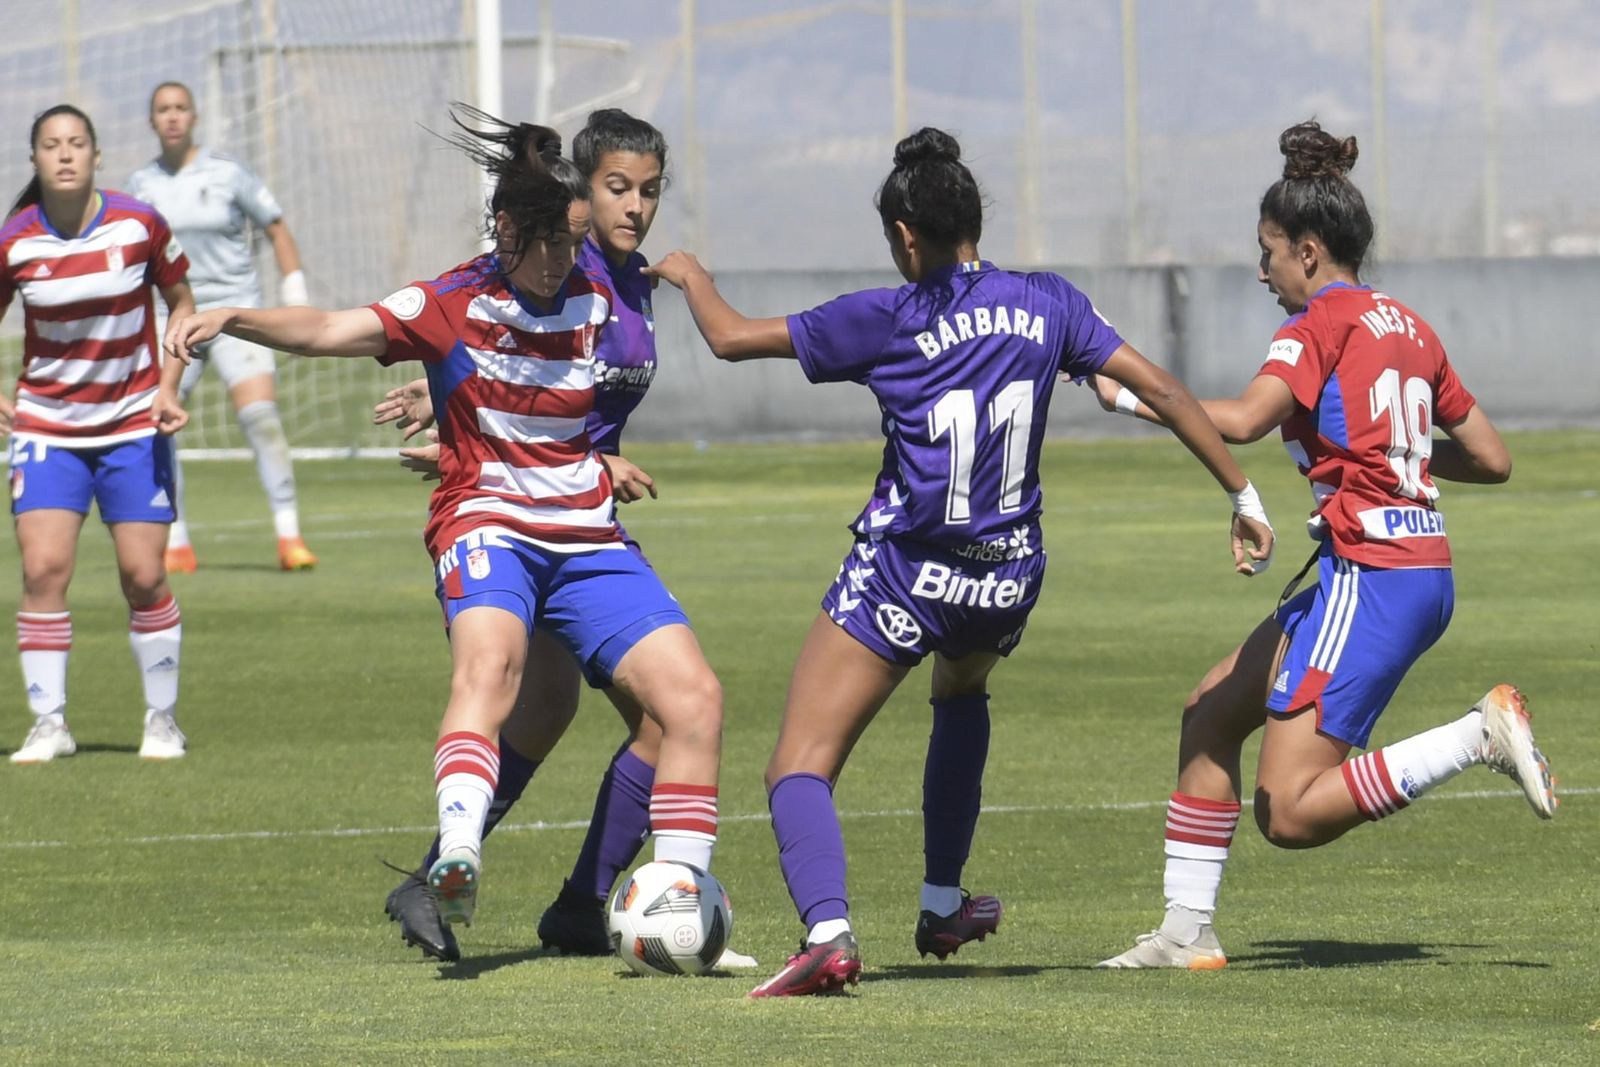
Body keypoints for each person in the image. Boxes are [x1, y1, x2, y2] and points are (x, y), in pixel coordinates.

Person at [643, 127, 1276, 997]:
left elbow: (729, 338)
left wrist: (688, 274)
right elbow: (1164, 391)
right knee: (961, 692)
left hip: (909, 571)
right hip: (1007, 575)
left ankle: (828, 932)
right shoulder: (1051, 303)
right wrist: (1241, 496)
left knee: (796, 764)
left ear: (907, 236)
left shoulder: (890, 314)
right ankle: (942, 901)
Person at [165, 109, 725, 944]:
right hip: (490, 521)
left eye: (572, 243)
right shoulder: (448, 297)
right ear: (505, 228)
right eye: (546, 242)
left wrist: (524, 432)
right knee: (490, 671)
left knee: (693, 700)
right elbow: (326, 329)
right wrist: (230, 317)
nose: (560, 262)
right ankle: (456, 859)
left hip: (584, 532)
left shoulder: (598, 295)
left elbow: (548, 402)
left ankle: (680, 913)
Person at [1093, 121, 1556, 971]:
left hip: (1371, 574)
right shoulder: (1408, 324)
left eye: (1267, 252)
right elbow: (1493, 457)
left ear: (1308, 252)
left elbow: (1236, 420)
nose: (1260, 269)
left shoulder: (1315, 325)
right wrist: (1399, 455)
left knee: (1290, 811)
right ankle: (1185, 933)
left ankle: (1475, 736)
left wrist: (1124, 394)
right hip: (1410, 568)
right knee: (1209, 714)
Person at [375, 108, 754, 968]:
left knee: (586, 711)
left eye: (650, 191)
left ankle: (573, 903)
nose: (635, 207)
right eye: (618, 187)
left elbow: (565, 386)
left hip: (581, 518)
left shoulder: (634, 283)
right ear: (581, 192)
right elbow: (496, 337)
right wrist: (447, 413)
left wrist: (597, 452)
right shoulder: (561, 263)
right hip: (528, 512)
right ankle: (547, 893)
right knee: (621, 708)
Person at [1, 104, 194, 763]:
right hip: (47, 427)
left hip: (134, 422)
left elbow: (183, 304)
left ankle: (162, 720)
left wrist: (168, 385)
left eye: (76, 143)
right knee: (43, 568)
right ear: (35, 160)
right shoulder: (16, 240)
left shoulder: (140, 224)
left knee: (143, 575)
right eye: (51, 145)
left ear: (96, 155)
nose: (64, 154)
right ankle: (48, 722)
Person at [125, 81, 317, 573]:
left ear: (194, 117)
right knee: (160, 423)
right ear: (152, 121)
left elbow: (276, 226)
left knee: (260, 418)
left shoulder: (229, 173)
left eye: (180, 108)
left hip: (236, 316)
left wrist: (294, 294)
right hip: (176, 319)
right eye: (162, 109)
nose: (171, 117)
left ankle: (289, 536)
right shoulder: (141, 186)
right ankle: (177, 541)